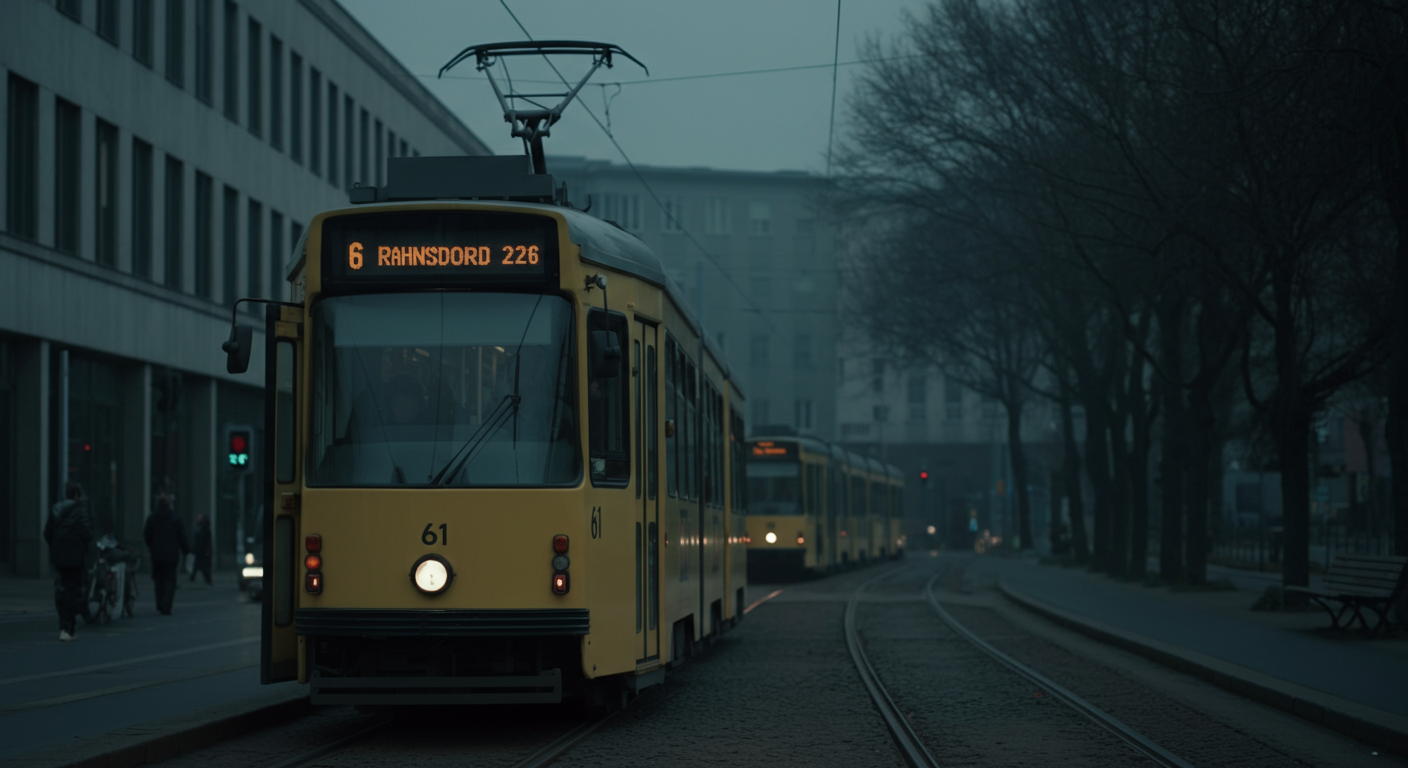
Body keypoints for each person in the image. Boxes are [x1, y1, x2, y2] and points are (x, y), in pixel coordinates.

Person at [44, 481, 93, 642]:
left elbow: (47, 532)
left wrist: (57, 547)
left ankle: (64, 624)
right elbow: (87, 533)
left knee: (61, 588)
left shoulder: (56, 509)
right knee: (73, 589)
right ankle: (68, 627)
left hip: (59, 556)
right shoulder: (80, 511)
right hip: (75, 557)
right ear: (77, 495)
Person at [144, 488, 189, 615]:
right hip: (171, 554)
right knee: (170, 580)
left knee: (158, 580)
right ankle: (166, 604)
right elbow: (181, 536)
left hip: (156, 554)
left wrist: (151, 546)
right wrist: (186, 550)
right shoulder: (175, 518)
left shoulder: (152, 518)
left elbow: (147, 535)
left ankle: (159, 603)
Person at [190, 513, 212, 585]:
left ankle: (207, 579)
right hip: (199, 550)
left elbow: (206, 541)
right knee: (198, 565)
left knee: (202, 566)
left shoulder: (204, 528)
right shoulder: (199, 528)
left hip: (202, 550)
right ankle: (193, 577)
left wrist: (207, 550)